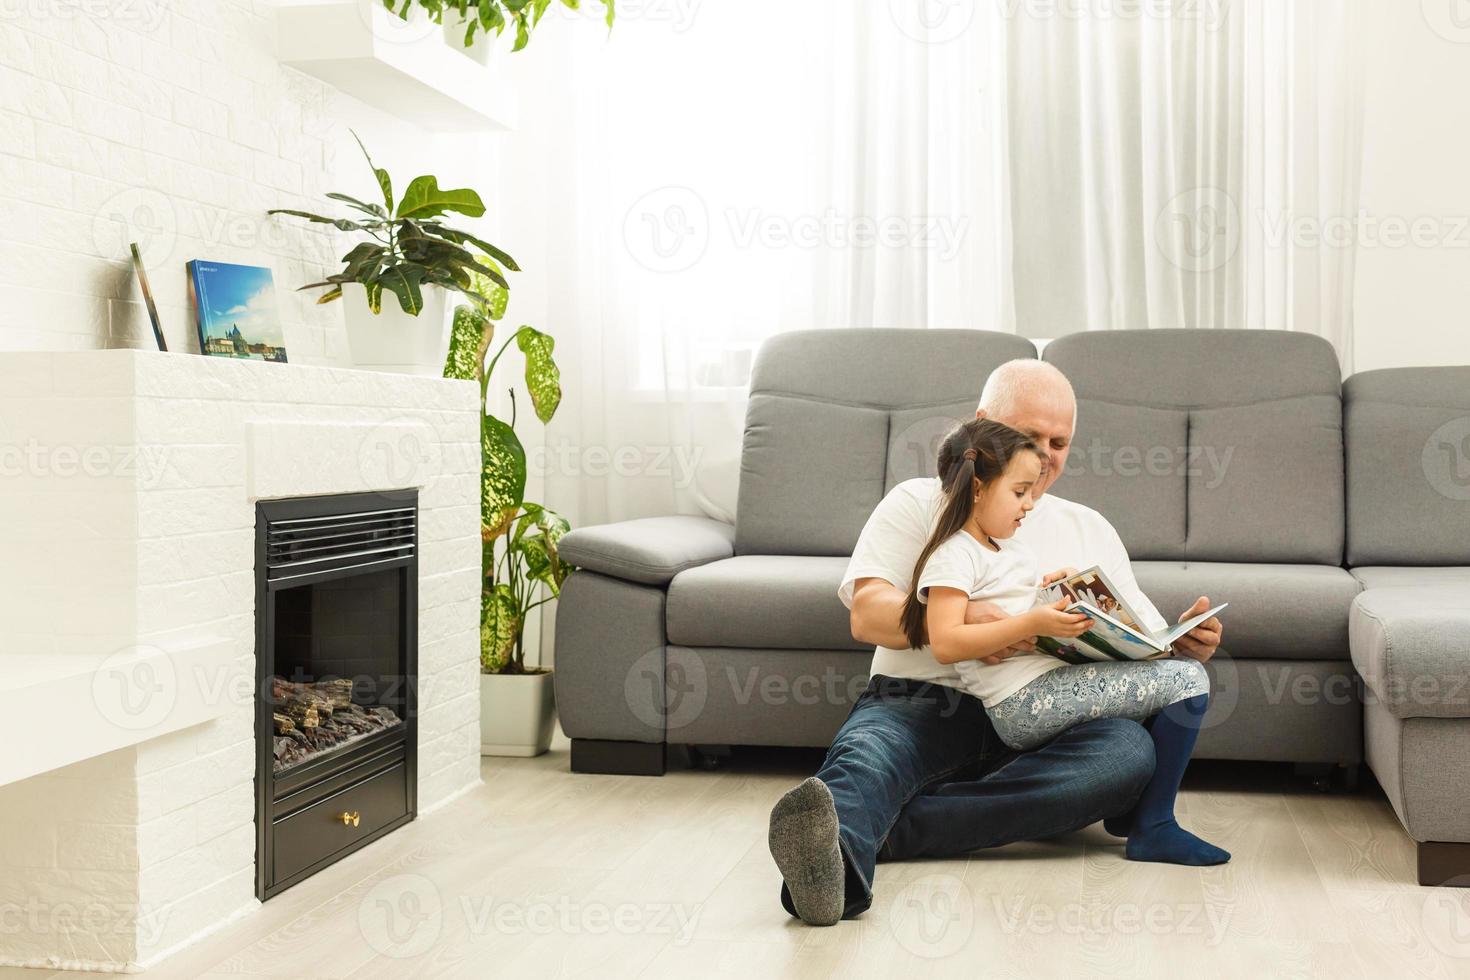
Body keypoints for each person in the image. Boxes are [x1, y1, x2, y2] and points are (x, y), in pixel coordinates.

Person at [767, 359, 1224, 927]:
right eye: (1030, 437)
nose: (1047, 454)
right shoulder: (917, 501)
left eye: (1060, 442)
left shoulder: (1090, 527)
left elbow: (1144, 643)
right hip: (921, 698)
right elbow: (866, 615)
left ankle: (875, 831)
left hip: (1047, 715)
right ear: (981, 426)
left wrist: (1185, 647)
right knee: (871, 758)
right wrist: (965, 622)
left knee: (1126, 754)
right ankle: (830, 870)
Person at [903, 417, 1229, 867]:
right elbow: (946, 641)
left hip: (1041, 687)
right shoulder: (953, 554)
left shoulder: (1008, 548)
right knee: (1188, 680)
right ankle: (1153, 826)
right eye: (1018, 492)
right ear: (977, 489)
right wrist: (1034, 619)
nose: (1029, 504)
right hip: (1021, 702)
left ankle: (1137, 814)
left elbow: (1009, 606)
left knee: (1178, 673)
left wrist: (1053, 592)